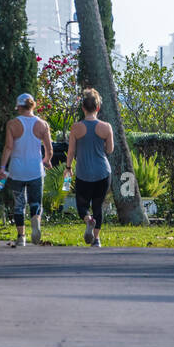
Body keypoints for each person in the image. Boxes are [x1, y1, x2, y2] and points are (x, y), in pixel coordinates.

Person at [0, 93, 52, 247]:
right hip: (35, 169)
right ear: (33, 105)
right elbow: (49, 149)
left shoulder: (12, 124)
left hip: (17, 171)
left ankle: (21, 237)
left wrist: (2, 167)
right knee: (36, 203)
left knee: (19, 204)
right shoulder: (43, 124)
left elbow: (8, 147)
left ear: (19, 107)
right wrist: (46, 161)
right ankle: (35, 217)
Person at [65, 88, 113, 248]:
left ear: (83, 108)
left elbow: (71, 151)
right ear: (98, 107)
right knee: (98, 205)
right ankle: (97, 240)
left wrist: (68, 167)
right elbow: (110, 149)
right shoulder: (106, 127)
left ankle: (88, 220)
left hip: (84, 173)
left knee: (82, 205)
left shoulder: (76, 128)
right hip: (103, 172)